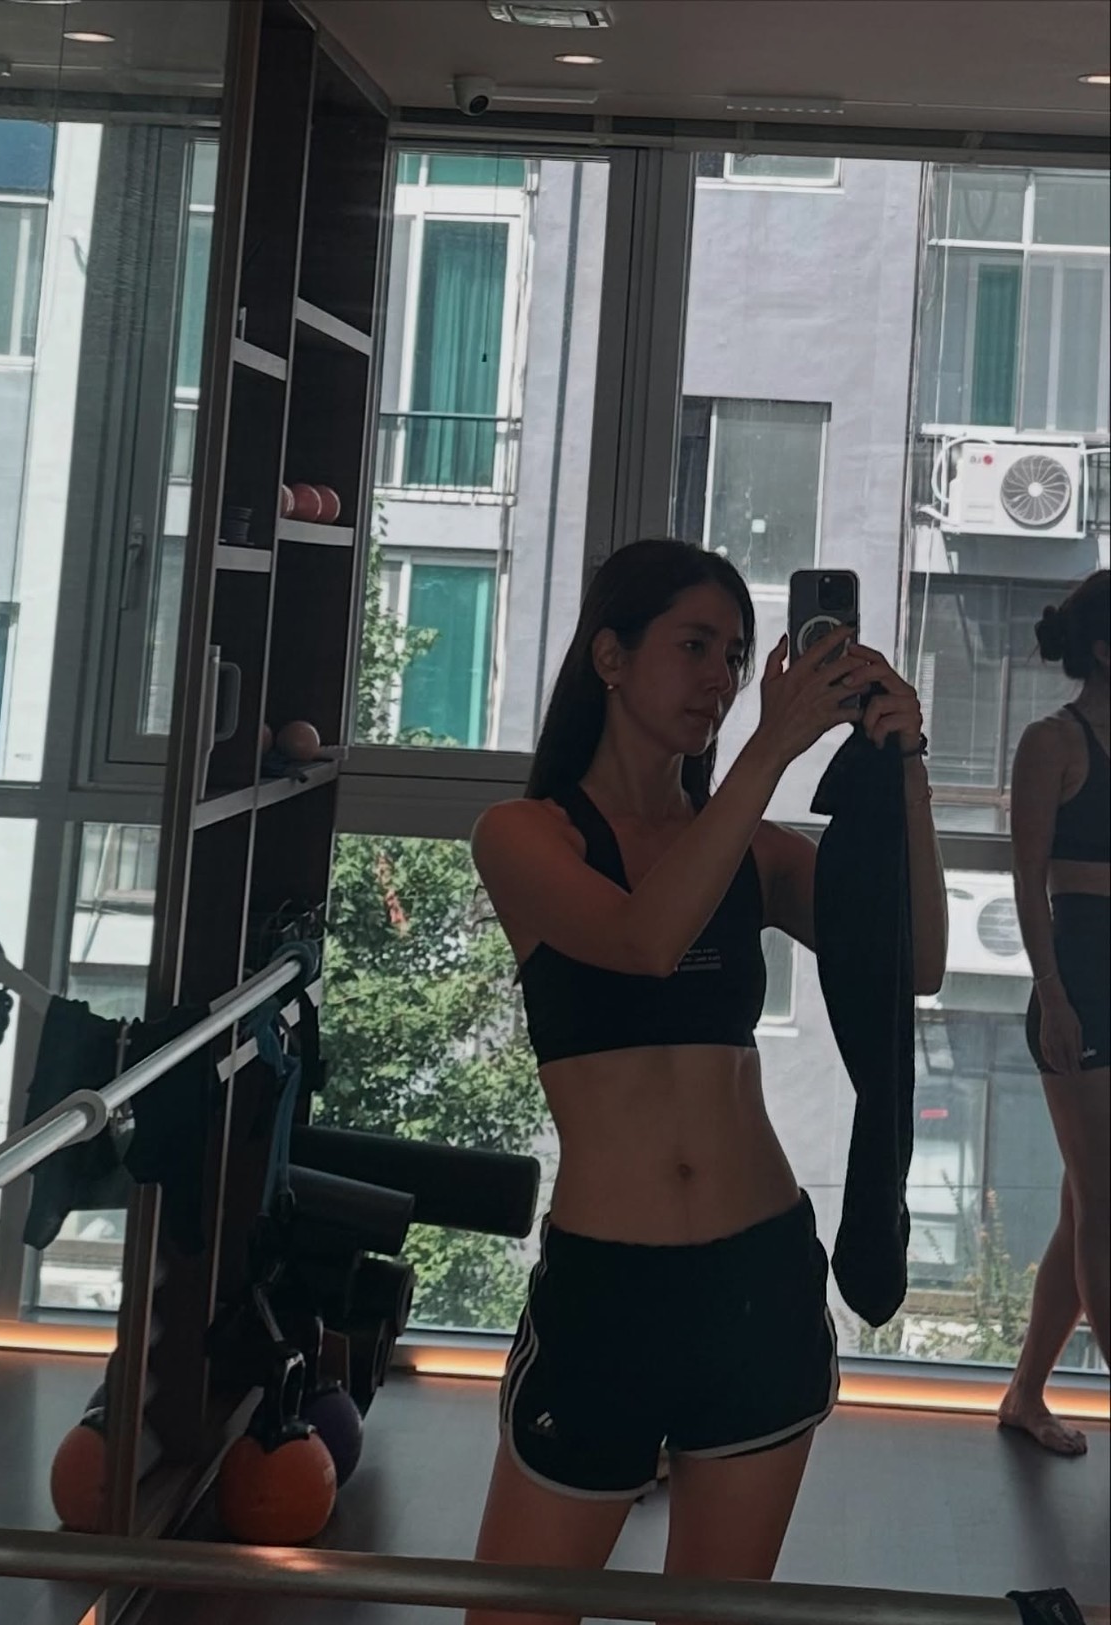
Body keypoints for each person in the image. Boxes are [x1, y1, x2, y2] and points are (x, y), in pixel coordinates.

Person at [469, 540, 947, 1625]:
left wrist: (906, 763)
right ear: (609, 656)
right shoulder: (523, 835)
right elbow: (643, 939)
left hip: (756, 1278)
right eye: (693, 646)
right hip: (607, 1292)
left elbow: (911, 960)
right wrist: (770, 748)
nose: (720, 679)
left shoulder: (751, 848)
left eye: (734, 655)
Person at [998, 569, 1110, 1458]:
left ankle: (1024, 1394)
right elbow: (1028, 881)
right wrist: (1054, 996)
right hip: (1081, 984)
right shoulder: (1053, 741)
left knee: (1085, 1206)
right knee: (1104, 1204)